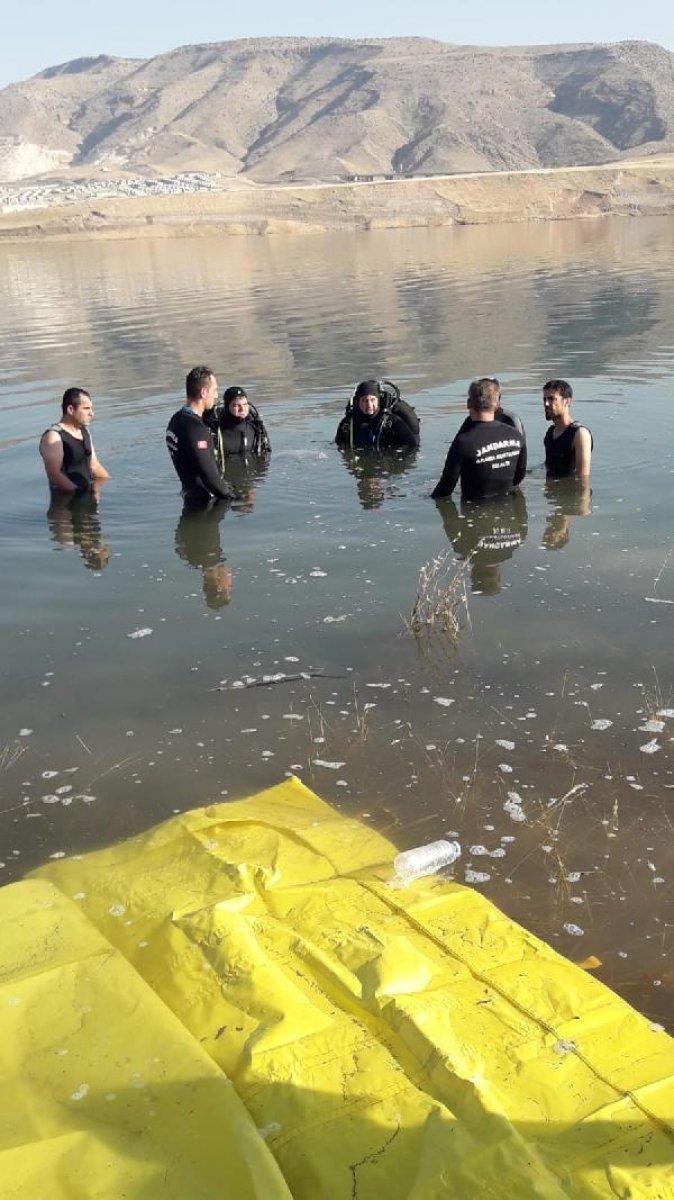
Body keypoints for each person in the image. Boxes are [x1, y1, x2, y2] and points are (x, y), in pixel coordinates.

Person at [432, 378, 527, 501]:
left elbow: (445, 489)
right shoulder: (516, 436)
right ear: (496, 404)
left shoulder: (463, 442)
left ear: (468, 403)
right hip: (507, 511)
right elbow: (519, 476)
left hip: (472, 511)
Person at [166, 366, 236, 506]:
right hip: (204, 505)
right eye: (214, 390)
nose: (216, 396)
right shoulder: (196, 429)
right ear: (204, 392)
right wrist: (235, 498)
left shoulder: (175, 420)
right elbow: (211, 478)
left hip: (189, 496)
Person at [437, 491, 528, 594]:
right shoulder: (464, 548)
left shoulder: (517, 541)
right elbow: (449, 518)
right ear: (473, 573)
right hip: (474, 491)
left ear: (499, 576)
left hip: (505, 486)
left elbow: (520, 500)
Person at [39, 387, 109, 493]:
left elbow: (94, 466)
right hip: (66, 502)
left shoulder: (84, 432)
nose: (91, 413)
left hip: (87, 497)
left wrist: (111, 485)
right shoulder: (53, 436)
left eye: (91, 408)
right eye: (86, 408)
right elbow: (55, 476)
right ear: (71, 410)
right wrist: (80, 494)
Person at [335, 380, 420, 451]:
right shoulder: (348, 424)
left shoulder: (393, 422)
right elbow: (338, 446)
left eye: (372, 400)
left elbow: (413, 447)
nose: (369, 405)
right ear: (357, 402)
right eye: (364, 400)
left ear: (378, 400)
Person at [205, 386, 271, 467]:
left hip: (253, 476)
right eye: (236, 405)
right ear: (227, 407)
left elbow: (266, 452)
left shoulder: (256, 427)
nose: (242, 409)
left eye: (245, 404)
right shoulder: (215, 430)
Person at [543, 379, 593, 478]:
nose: (546, 404)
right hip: (551, 490)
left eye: (551, 399)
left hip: (570, 491)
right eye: (544, 399)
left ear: (567, 401)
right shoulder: (551, 432)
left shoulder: (580, 434)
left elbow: (583, 479)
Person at [457, 377, 525, 439]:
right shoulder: (470, 420)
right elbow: (458, 442)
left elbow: (521, 444)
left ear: (498, 397)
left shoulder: (511, 419)